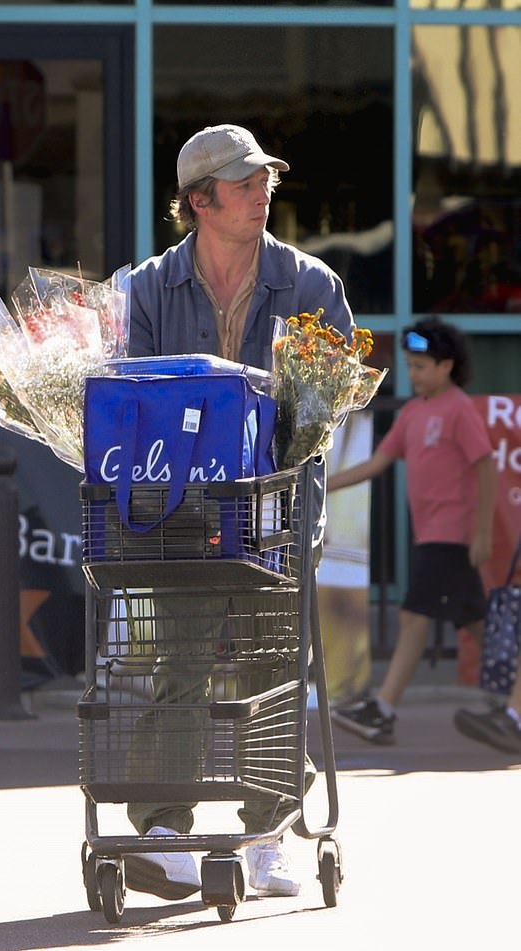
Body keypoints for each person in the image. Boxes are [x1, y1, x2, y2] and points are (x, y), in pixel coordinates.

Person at [122, 123, 356, 900]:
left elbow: (326, 410)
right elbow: (134, 403)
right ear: (199, 200)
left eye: (265, 180)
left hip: (278, 513)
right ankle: (163, 826)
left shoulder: (312, 285)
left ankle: (269, 832)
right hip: (178, 516)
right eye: (244, 182)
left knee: (273, 669)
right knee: (180, 664)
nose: (262, 192)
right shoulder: (150, 287)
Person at [328, 316, 498, 745]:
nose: (414, 374)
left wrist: (481, 533)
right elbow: (375, 464)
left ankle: (382, 710)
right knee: (478, 623)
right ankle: (508, 702)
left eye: (421, 366)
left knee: (412, 616)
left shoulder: (459, 407)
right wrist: (322, 485)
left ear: (447, 366)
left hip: (451, 536)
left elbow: (487, 466)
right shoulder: (411, 414)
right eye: (410, 365)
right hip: (431, 535)